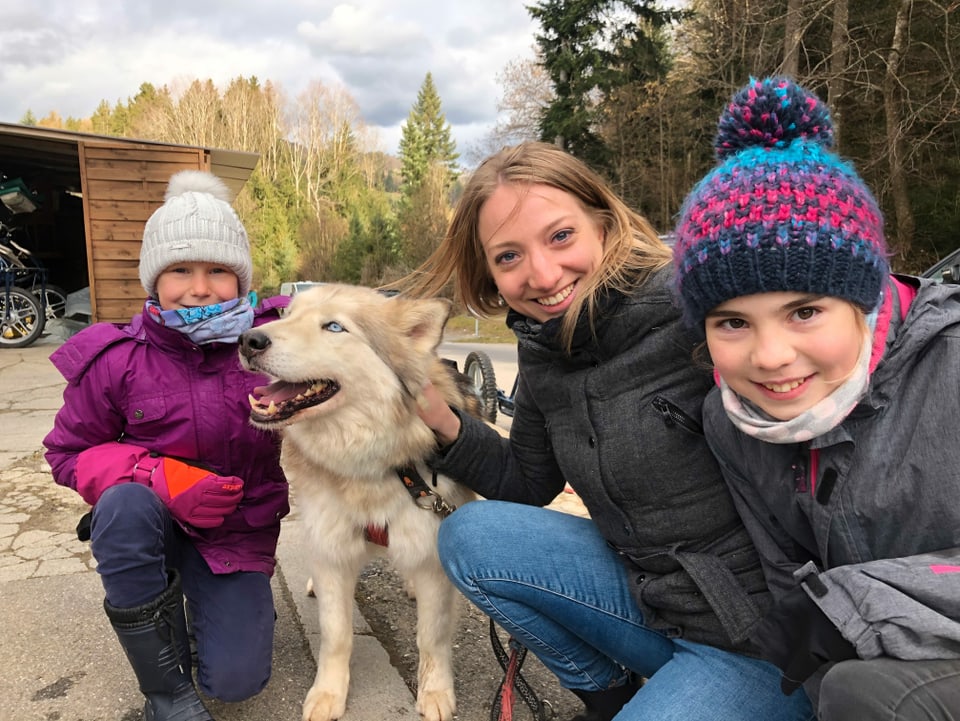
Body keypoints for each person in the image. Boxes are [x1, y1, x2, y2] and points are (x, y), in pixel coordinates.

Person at [404, 141, 813, 721]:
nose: (542, 275)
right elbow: (526, 483)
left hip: (761, 642)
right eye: (508, 256)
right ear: (489, 272)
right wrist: (441, 419)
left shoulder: (700, 312)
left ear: (603, 221)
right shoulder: (544, 346)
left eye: (560, 236)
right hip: (653, 598)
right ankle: (609, 700)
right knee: (472, 535)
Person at [672, 76, 960, 720]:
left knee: (869, 695)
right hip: (859, 661)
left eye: (804, 311)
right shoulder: (729, 418)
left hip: (898, 670)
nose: (770, 357)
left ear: (863, 299)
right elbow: (785, 572)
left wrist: (855, 604)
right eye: (732, 323)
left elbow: (830, 609)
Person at [43, 170, 290, 721]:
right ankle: (165, 692)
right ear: (153, 279)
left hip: (237, 530)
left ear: (242, 279)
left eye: (218, 271)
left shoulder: (276, 342)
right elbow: (65, 454)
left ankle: (228, 611)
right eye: (180, 269)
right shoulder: (117, 359)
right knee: (123, 508)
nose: (200, 288)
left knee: (234, 682)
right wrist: (156, 476)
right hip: (154, 527)